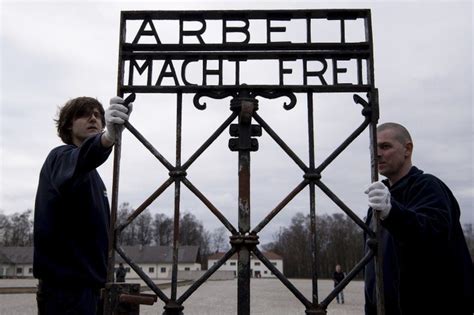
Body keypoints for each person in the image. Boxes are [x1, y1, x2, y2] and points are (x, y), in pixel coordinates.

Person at [33, 96, 132, 314]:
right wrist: (107, 139)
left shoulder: (93, 176)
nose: (94, 117)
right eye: (84, 113)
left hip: (91, 288)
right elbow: (84, 157)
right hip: (66, 291)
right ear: (68, 124)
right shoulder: (59, 158)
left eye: (98, 114)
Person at [363, 122, 474, 315]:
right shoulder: (378, 201)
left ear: (407, 149)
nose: (377, 153)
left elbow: (432, 234)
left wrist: (392, 212)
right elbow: (372, 267)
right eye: (374, 148)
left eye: (385, 146)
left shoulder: (429, 187)